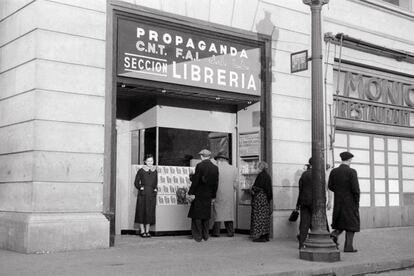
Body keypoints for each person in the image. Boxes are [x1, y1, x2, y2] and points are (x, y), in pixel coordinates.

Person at [328, 151, 360, 253]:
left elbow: (330, 186)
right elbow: (356, 189)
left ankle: (333, 235)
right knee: (351, 225)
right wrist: (356, 202)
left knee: (340, 223)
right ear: (349, 159)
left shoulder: (334, 171)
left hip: (338, 202)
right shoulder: (352, 172)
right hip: (350, 203)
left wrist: (339, 192)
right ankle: (348, 247)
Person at [187, 149, 219, 242]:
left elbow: (196, 181)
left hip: (199, 193)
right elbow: (216, 183)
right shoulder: (215, 167)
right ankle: (206, 235)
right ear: (209, 156)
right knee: (206, 215)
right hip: (208, 194)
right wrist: (213, 195)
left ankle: (198, 235)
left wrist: (190, 193)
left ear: (201, 156)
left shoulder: (199, 166)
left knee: (197, 215)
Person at [211, 151, 238, 237]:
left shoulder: (216, 168)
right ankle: (230, 232)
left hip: (218, 192)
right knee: (228, 213)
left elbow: (213, 182)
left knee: (218, 213)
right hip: (229, 194)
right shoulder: (234, 169)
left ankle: (216, 232)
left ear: (219, 159)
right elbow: (235, 184)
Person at [134, 154, 158, 238]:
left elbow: (156, 182)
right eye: (148, 161)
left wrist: (155, 189)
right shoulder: (141, 170)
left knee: (150, 212)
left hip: (151, 194)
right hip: (143, 195)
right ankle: (142, 231)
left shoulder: (155, 171)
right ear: (145, 161)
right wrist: (141, 188)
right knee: (142, 211)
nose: (150, 163)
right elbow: (136, 182)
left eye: (151, 161)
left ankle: (147, 231)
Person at [250, 161, 273, 242]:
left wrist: (252, 189)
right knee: (265, 217)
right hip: (265, 199)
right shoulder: (267, 176)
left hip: (259, 199)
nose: (257, 168)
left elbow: (256, 187)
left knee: (259, 217)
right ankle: (266, 235)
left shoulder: (260, 176)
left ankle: (260, 236)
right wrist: (269, 199)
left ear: (261, 167)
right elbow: (269, 190)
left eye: (258, 166)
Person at [296, 158, 313, 249]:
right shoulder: (318, 174)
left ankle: (301, 243)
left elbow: (301, 190)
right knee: (320, 223)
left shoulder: (304, 174)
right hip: (315, 202)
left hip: (304, 201)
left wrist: (298, 203)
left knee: (304, 223)